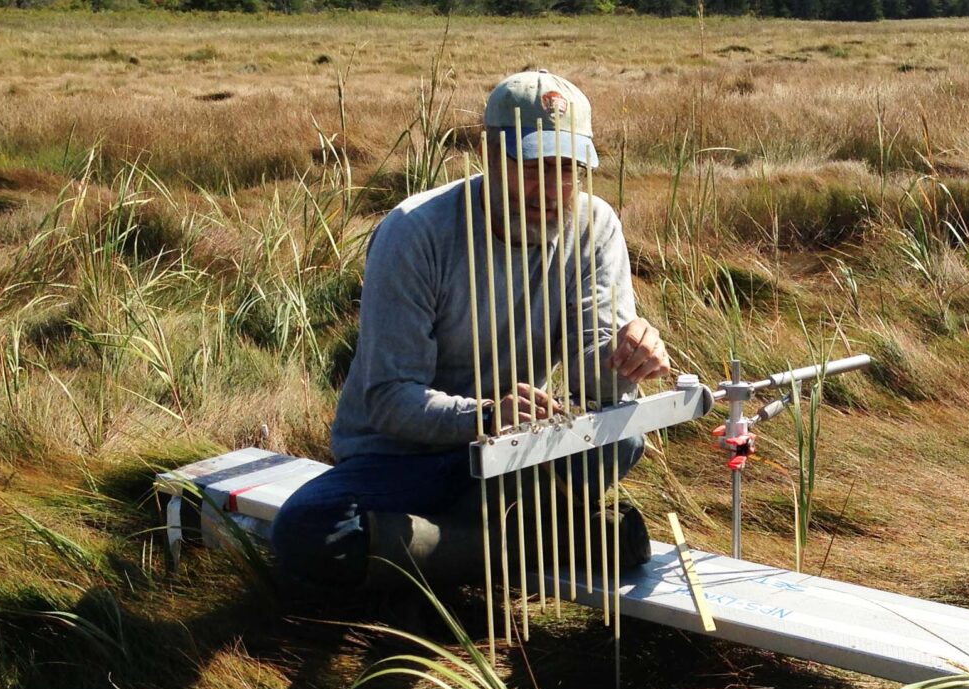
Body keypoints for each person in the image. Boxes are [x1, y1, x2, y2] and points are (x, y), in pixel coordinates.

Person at [271, 69, 670, 593]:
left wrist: (628, 356)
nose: (551, 190)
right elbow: (390, 400)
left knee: (622, 441)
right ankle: (546, 537)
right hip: (405, 458)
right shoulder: (415, 232)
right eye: (532, 164)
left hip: (515, 451)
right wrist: (484, 416)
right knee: (308, 531)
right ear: (488, 152)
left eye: (569, 167)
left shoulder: (595, 226)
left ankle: (444, 541)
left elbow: (593, 381)